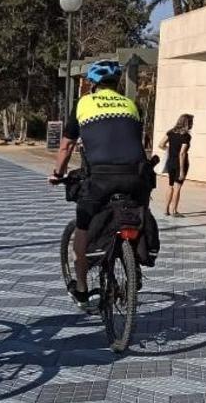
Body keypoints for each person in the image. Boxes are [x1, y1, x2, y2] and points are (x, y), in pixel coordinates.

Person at [50, 60, 152, 308]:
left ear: (93, 84)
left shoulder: (84, 103)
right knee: (137, 212)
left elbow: (66, 145)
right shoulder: (131, 104)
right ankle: (135, 263)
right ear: (116, 84)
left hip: (102, 176)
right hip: (137, 175)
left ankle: (83, 288)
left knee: (83, 225)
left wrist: (57, 172)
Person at [157, 114, 194, 217]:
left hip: (171, 163)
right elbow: (182, 154)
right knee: (177, 187)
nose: (192, 124)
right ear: (187, 123)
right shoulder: (186, 136)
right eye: (191, 122)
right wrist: (182, 170)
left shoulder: (171, 132)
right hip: (180, 164)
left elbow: (160, 144)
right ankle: (174, 211)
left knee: (170, 185)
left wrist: (169, 149)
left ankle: (166, 210)